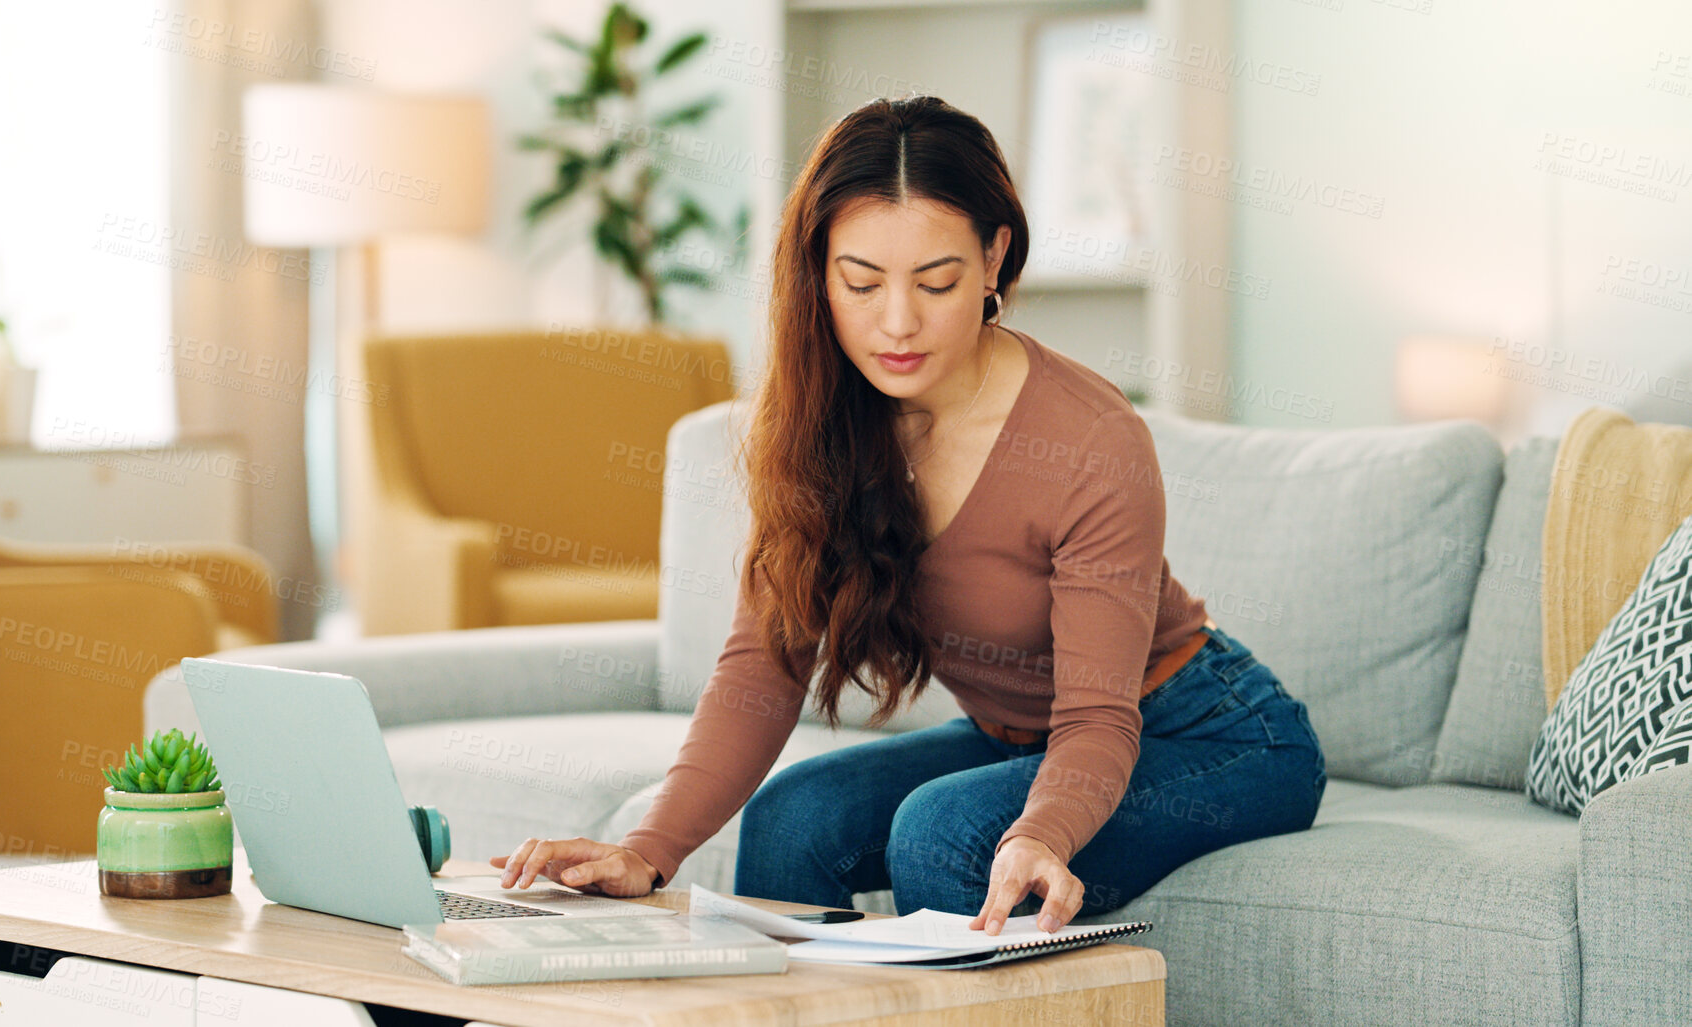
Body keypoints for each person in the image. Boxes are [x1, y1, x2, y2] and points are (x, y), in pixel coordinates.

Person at [491, 95, 1327, 936]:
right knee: (793, 817)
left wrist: (1039, 832)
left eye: (936, 281)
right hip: (1021, 739)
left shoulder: (1091, 439)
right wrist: (645, 848)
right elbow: (763, 664)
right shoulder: (823, 421)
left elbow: (1096, 717)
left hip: (1216, 737)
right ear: (817, 272)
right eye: (860, 282)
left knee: (948, 830)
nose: (896, 322)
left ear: (995, 255)